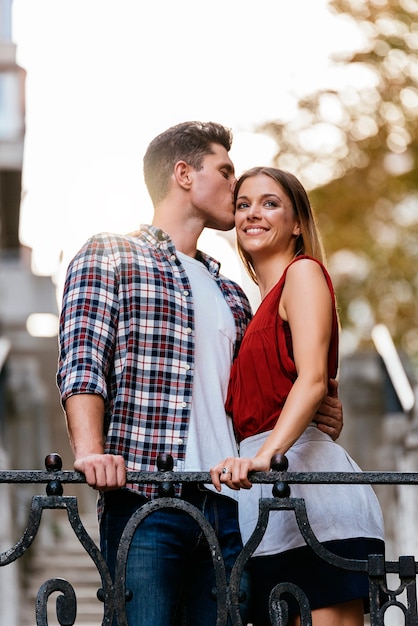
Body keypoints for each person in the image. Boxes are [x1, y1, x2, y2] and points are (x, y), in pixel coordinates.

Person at [56, 122, 344, 626]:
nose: (237, 190)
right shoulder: (110, 253)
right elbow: (83, 362)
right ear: (184, 174)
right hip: (145, 500)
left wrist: (318, 408)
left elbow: (256, 388)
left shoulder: (233, 293)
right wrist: (88, 450)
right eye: (227, 172)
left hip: (230, 506)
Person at [211, 167, 385, 626]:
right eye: (243, 204)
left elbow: (310, 381)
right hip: (271, 501)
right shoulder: (255, 307)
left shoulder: (302, 273)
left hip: (308, 493)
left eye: (270, 203)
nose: (252, 213)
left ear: (296, 224)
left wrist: (265, 456)